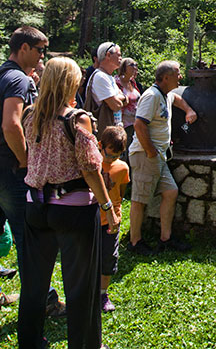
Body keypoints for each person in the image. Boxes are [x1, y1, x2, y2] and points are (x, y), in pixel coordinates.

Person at [19, 56, 119, 349]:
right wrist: (107, 207)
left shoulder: (30, 114)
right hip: (73, 210)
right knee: (81, 287)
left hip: (36, 206)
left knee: (34, 285)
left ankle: (30, 342)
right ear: (70, 82)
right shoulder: (77, 119)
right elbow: (90, 168)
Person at [0, 25, 57, 317]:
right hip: (9, 167)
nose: (42, 55)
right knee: (29, 235)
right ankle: (45, 302)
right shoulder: (17, 79)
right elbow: (11, 124)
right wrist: (25, 159)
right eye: (39, 50)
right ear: (24, 49)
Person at [127, 60, 197, 255]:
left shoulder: (165, 94)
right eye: (178, 74)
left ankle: (165, 238)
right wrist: (150, 152)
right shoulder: (150, 96)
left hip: (159, 157)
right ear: (166, 78)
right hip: (145, 155)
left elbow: (176, 99)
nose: (181, 77)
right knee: (139, 200)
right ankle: (135, 242)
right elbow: (139, 125)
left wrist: (189, 110)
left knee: (170, 192)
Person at [97, 125, 130, 312]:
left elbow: (121, 191)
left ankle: (103, 293)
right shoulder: (93, 164)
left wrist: (116, 213)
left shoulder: (122, 168)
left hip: (112, 220)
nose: (111, 159)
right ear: (100, 145)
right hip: (94, 219)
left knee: (109, 257)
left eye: (116, 156)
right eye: (108, 155)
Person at [84, 42, 125, 140]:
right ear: (108, 55)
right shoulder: (100, 77)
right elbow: (116, 105)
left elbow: (124, 98)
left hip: (112, 131)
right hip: (103, 135)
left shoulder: (109, 77)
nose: (121, 58)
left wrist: (119, 98)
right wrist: (120, 98)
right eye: (119, 55)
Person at [114, 58, 143, 148]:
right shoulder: (116, 82)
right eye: (132, 65)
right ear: (123, 67)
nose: (135, 67)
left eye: (136, 65)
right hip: (123, 124)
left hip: (135, 122)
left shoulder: (132, 82)